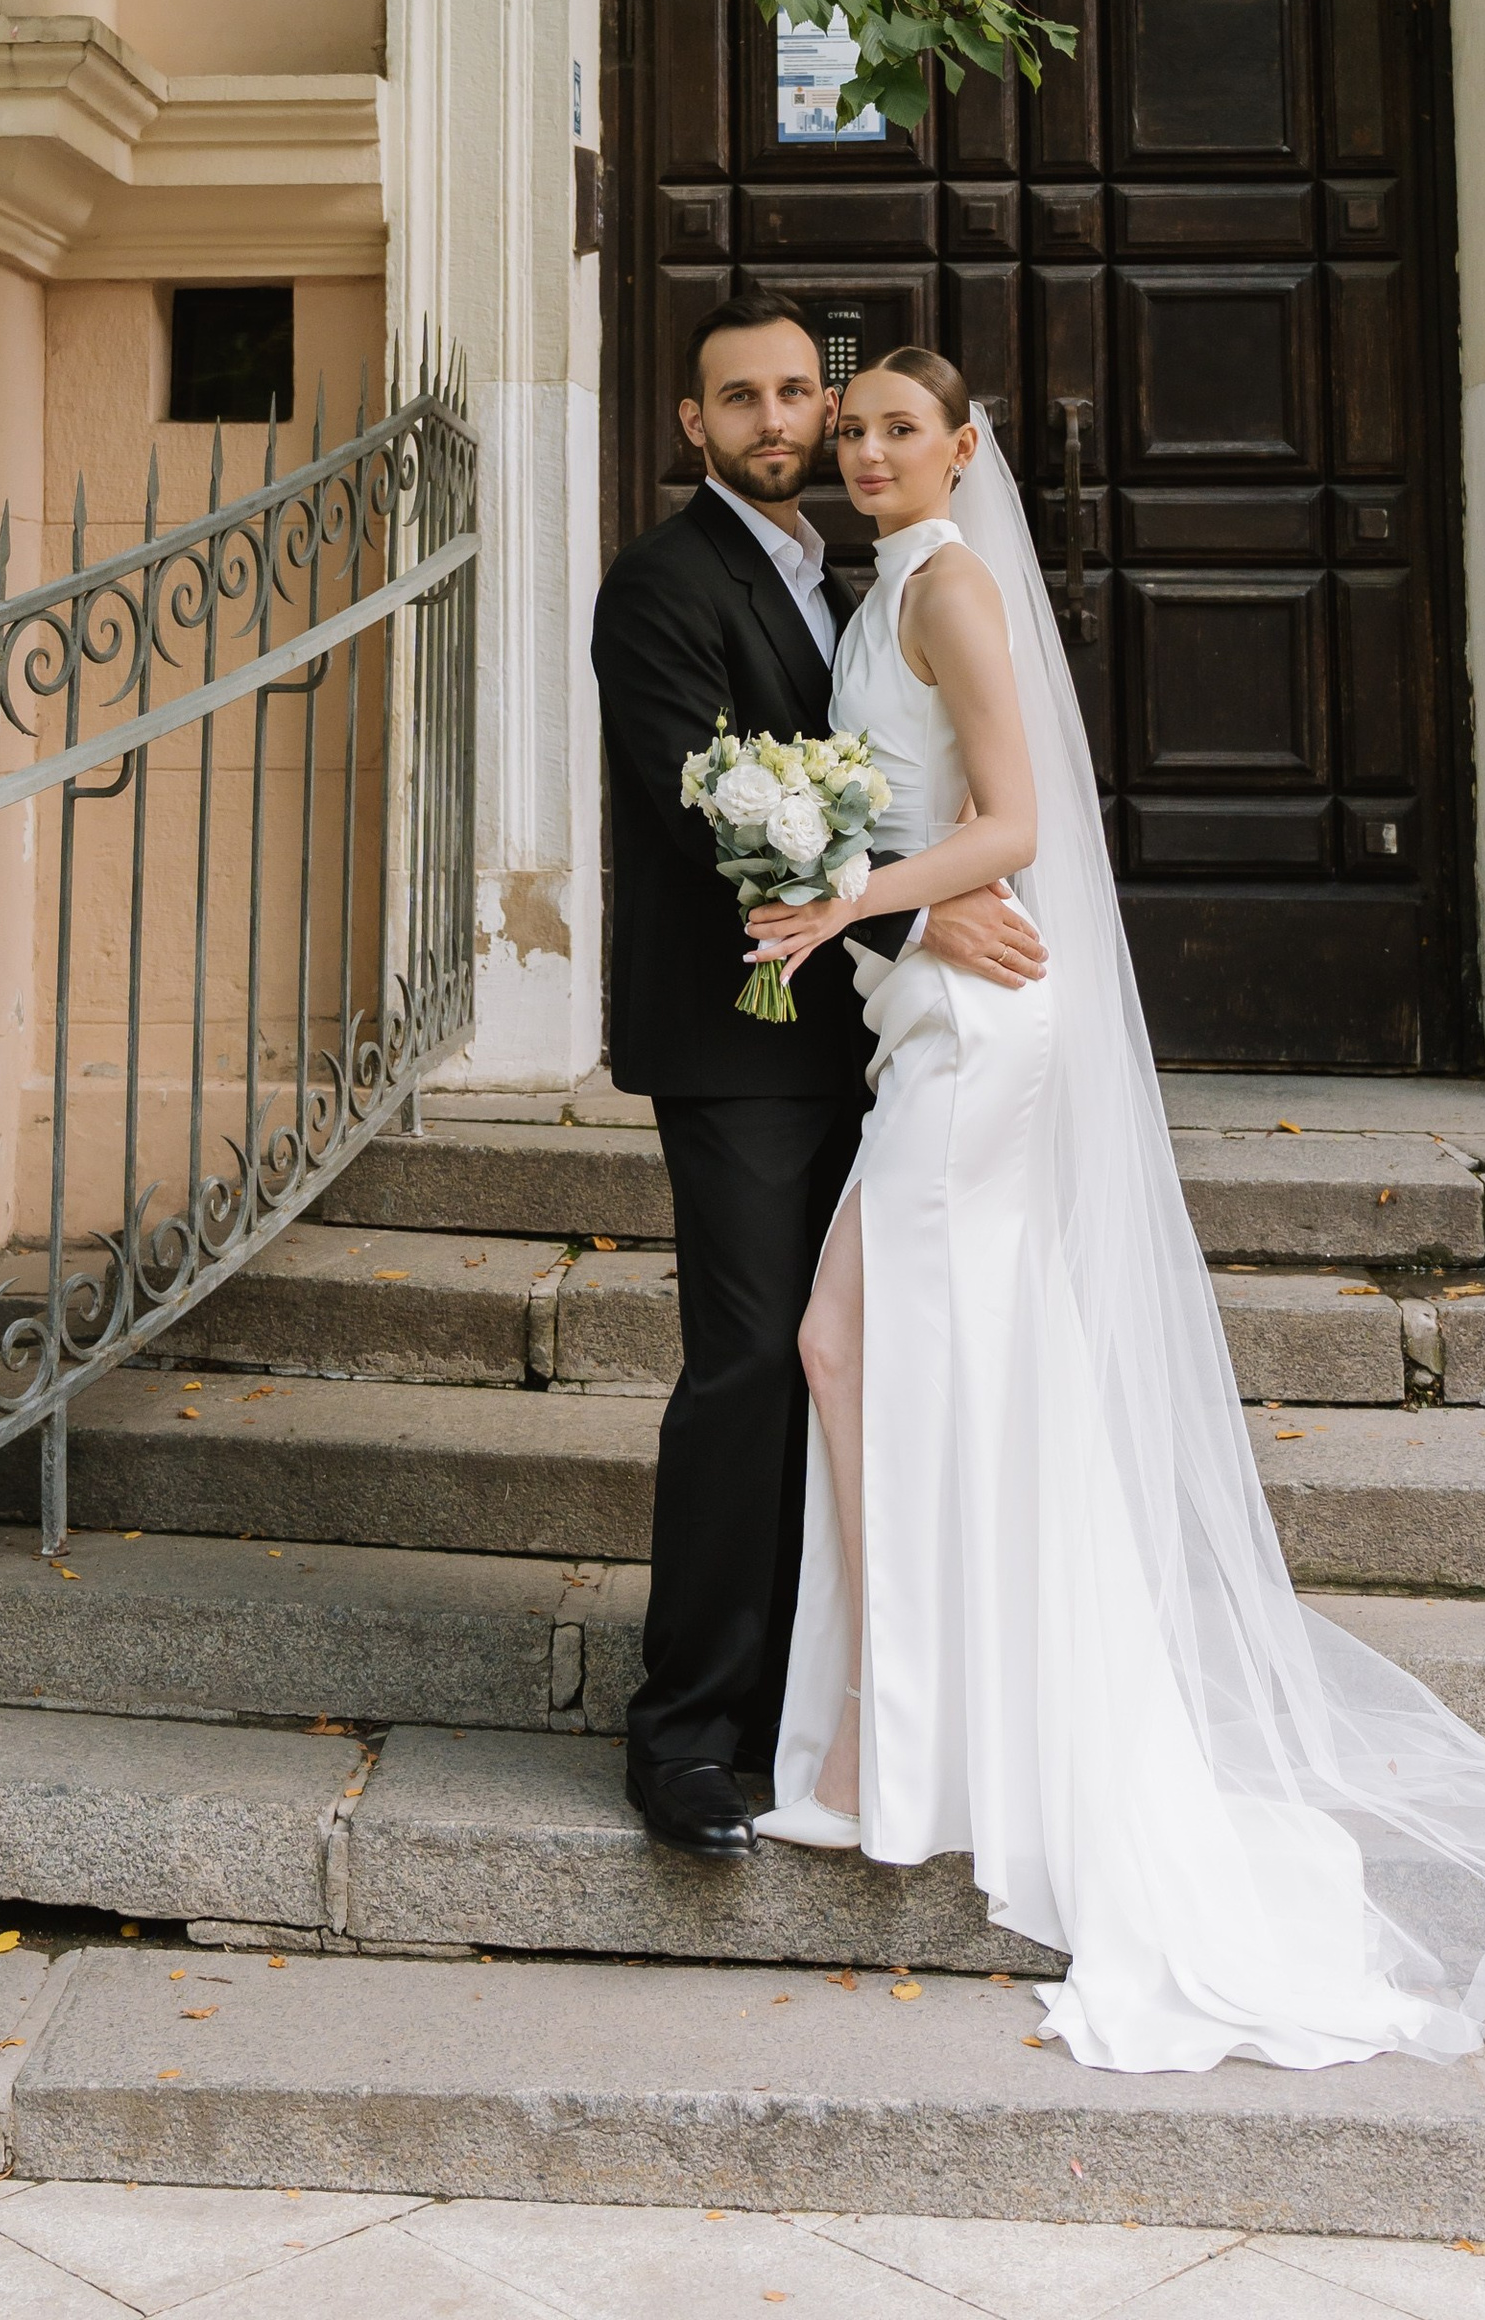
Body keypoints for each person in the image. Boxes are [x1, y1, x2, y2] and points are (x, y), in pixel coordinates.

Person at [742, 344, 1485, 2073]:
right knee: (887, 1351)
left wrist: (853, 907)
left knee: (855, 1345)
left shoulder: (955, 586)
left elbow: (1022, 822)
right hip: (936, 1012)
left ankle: (875, 1750)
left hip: (986, 1031)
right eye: (859, 430)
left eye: (908, 430)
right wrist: (871, 900)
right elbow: (928, 817)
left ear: (968, 448)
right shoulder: (885, 583)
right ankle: (919, 1734)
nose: (874, 450)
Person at [589, 295, 1048, 1862]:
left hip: (869, 1033)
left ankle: (823, 1694)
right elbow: (704, 815)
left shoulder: (848, 575)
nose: (784, 422)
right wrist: (928, 899)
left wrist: (916, 903)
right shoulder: (660, 588)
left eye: (805, 394)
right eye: (746, 399)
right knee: (748, 1368)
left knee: (852, 1358)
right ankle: (688, 1736)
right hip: (739, 1044)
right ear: (692, 424)